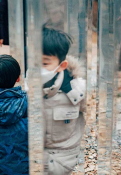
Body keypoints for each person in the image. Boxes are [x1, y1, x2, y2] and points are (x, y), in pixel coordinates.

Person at [41, 27, 86, 174]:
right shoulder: (22, 89)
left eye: (45, 64)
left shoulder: (78, 90)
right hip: (32, 159)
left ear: (62, 66)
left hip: (63, 161)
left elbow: (88, 114)